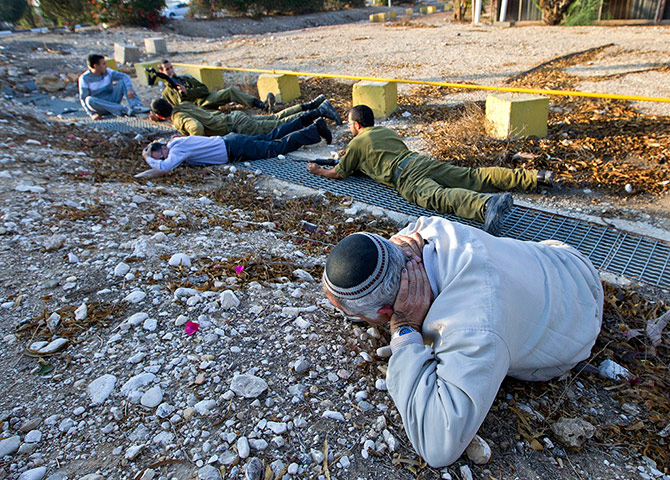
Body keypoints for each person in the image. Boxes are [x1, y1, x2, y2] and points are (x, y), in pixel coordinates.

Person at [322, 216, 604, 467]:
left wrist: (405, 330)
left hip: (581, 320)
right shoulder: (426, 230)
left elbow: (438, 446)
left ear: (385, 314)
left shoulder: (474, 328)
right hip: (561, 258)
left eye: (355, 314)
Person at [307, 105, 554, 236]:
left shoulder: (356, 143)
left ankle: (487, 206)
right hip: (420, 161)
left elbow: (339, 173)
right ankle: (534, 178)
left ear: (357, 125)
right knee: (471, 176)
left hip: (405, 178)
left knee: (440, 197)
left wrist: (318, 170)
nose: (349, 127)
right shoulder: (386, 132)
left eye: (350, 124)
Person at [141, 116, 332, 173]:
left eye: (161, 155)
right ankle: (306, 121)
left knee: (277, 147)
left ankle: (314, 129)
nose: (165, 159)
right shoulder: (176, 142)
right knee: (270, 137)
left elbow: (166, 167)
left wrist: (149, 159)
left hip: (233, 148)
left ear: (164, 148)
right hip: (230, 141)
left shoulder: (176, 148)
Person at [150, 96, 341, 138]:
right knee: (276, 119)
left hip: (237, 127)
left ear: (160, 115)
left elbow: (196, 129)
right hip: (234, 118)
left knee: (279, 125)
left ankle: (319, 111)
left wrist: (187, 140)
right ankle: (313, 106)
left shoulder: (178, 118)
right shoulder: (182, 105)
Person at [158, 60, 276, 111]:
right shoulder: (166, 94)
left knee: (230, 91)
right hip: (195, 111)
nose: (170, 71)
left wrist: (188, 92)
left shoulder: (184, 79)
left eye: (171, 67)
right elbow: (169, 110)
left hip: (206, 100)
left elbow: (204, 89)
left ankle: (261, 105)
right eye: (167, 69)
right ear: (162, 72)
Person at [78, 54, 150, 120]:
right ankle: (122, 109)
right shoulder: (84, 79)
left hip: (112, 100)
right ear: (95, 66)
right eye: (103, 64)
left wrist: (129, 88)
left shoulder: (107, 72)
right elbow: (83, 98)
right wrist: (92, 114)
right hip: (100, 106)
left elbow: (125, 76)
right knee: (89, 100)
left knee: (122, 82)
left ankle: (136, 106)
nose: (106, 66)